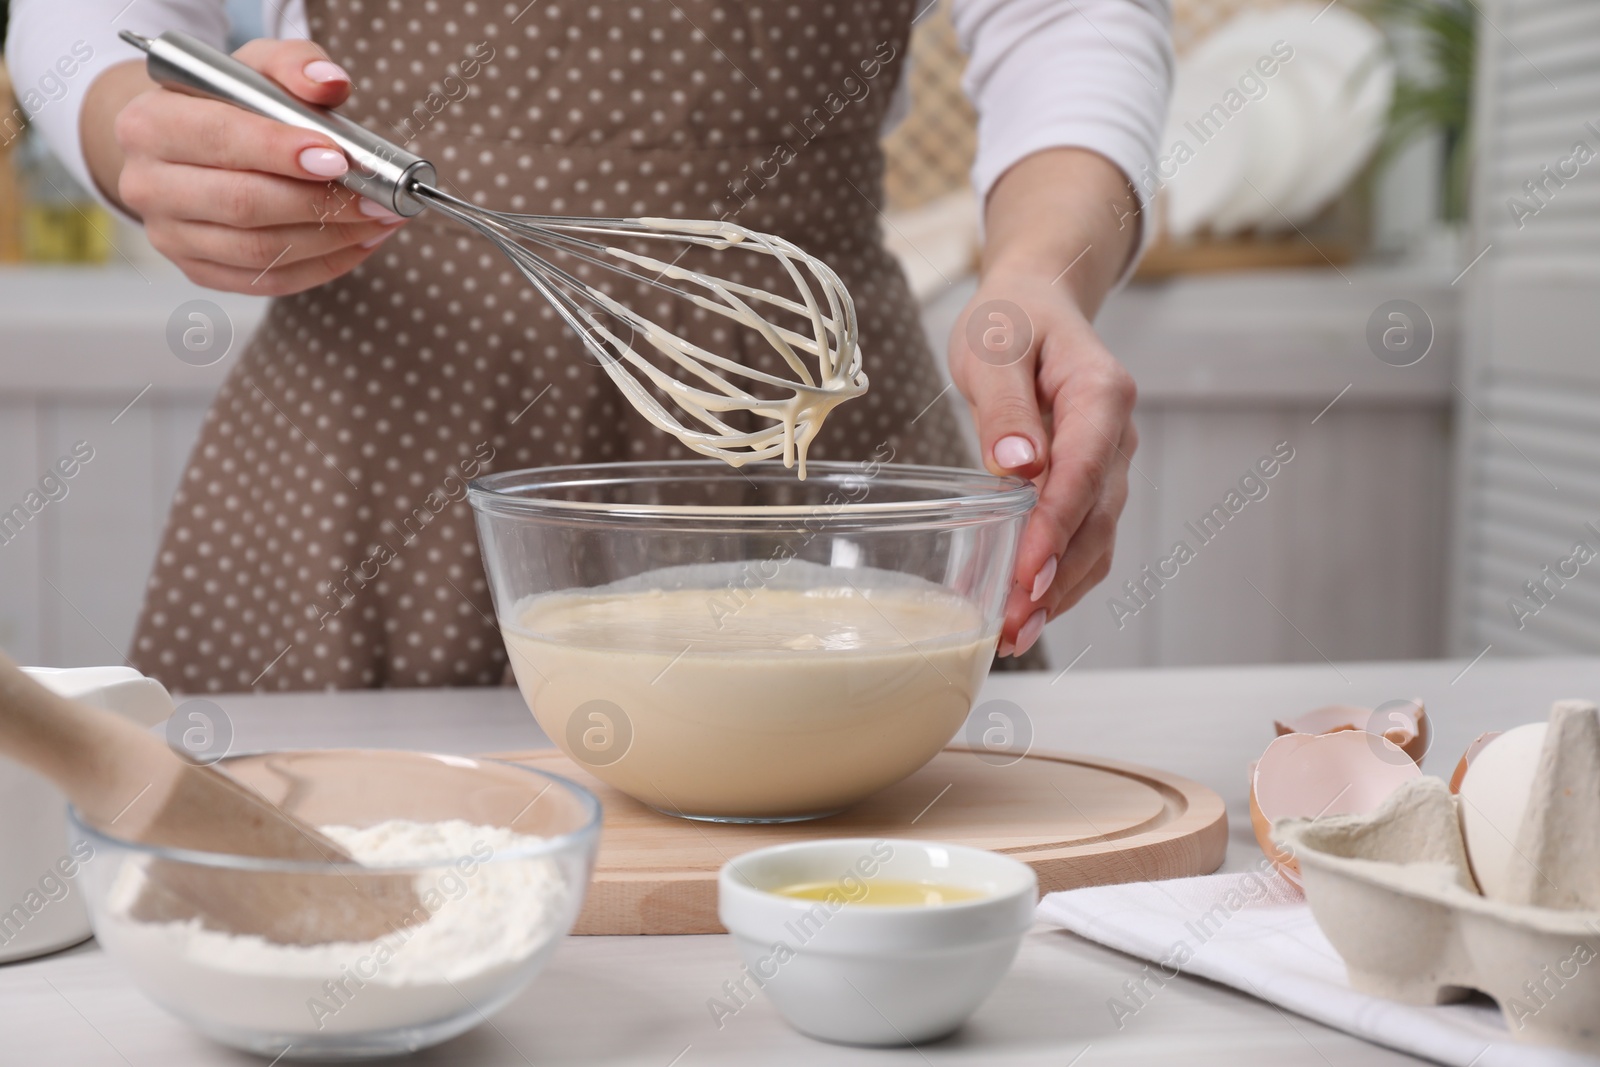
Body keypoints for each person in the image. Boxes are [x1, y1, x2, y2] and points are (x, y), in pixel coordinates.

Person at [8, 0, 1170, 692]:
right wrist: (134, 132)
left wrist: (1035, 277)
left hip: (809, 442)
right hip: (364, 470)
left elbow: (1069, 16)